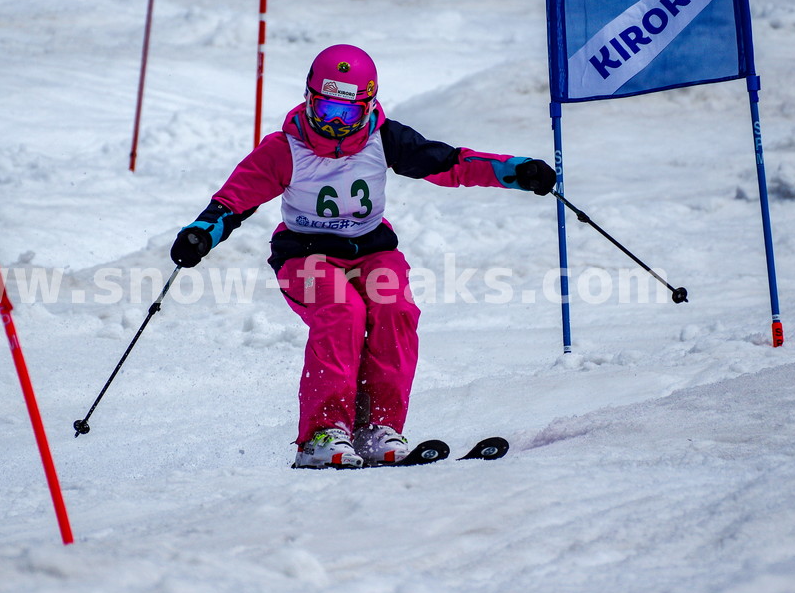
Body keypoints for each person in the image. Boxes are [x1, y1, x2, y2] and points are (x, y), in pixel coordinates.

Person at [170, 44, 555, 469]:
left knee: (395, 310)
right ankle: (322, 434)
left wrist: (514, 171)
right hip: (305, 255)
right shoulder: (284, 148)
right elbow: (233, 202)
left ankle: (377, 429)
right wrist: (200, 235)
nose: (336, 123)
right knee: (341, 311)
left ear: (368, 107)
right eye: (327, 109)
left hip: (372, 250)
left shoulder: (384, 137)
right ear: (308, 98)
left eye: (349, 113)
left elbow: (450, 164)